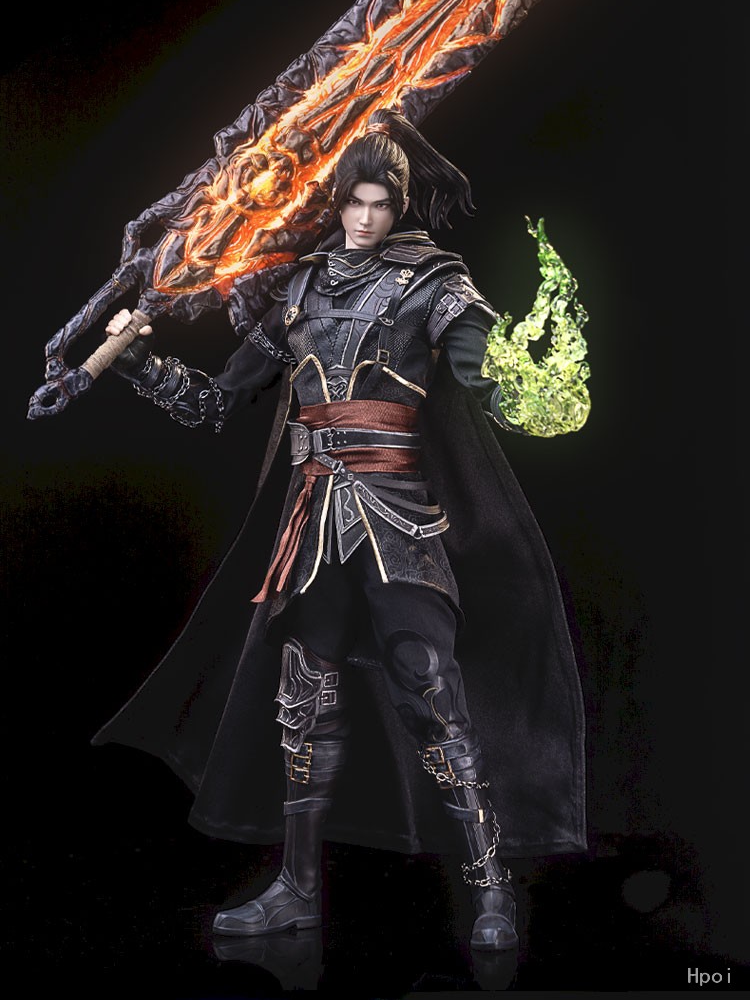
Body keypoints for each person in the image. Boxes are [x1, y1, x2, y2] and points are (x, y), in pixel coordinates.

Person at [93, 108, 587, 954]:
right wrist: (137, 360)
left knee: (430, 684)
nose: (364, 218)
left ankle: (490, 886)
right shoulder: (300, 288)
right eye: (354, 202)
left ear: (400, 206)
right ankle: (296, 888)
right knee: (302, 700)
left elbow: (481, 379)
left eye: (380, 205)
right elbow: (218, 402)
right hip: (312, 519)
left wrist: (530, 391)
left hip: (397, 514)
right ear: (338, 202)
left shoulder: (436, 285)